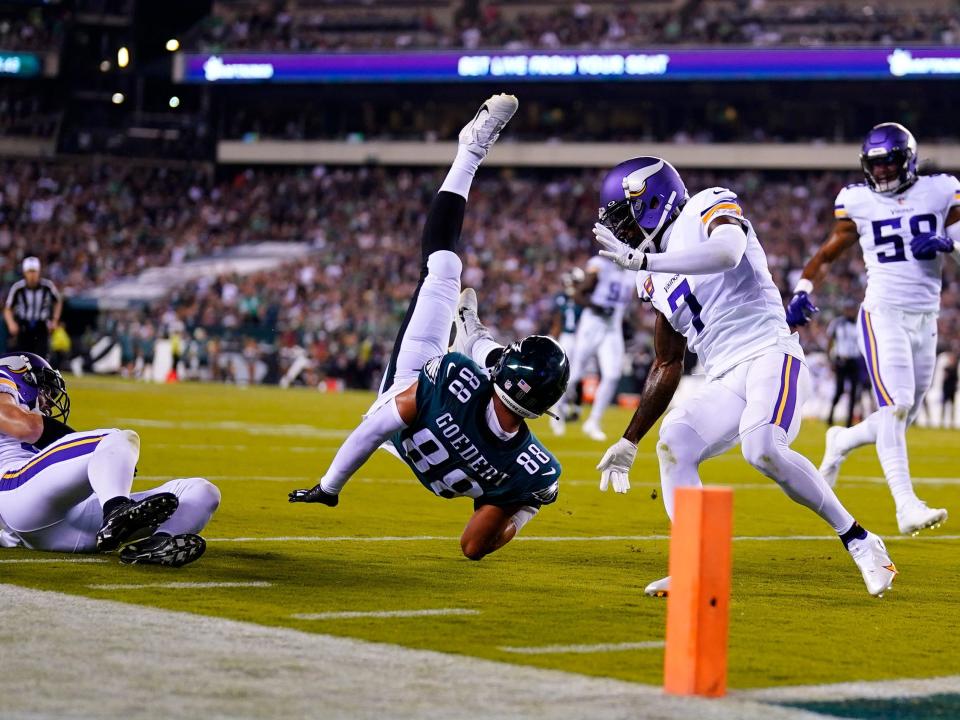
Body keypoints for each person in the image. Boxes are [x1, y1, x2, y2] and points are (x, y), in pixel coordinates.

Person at [591, 156, 896, 597]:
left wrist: (644, 262)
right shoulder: (651, 275)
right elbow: (667, 360)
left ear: (653, 201)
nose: (621, 233)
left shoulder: (705, 206)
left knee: (763, 448)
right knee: (674, 441)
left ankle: (862, 541)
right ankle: (696, 566)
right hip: (724, 377)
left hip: (772, 354)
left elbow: (728, 251)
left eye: (624, 219)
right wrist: (629, 438)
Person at [289, 95, 570, 561]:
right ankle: (471, 153)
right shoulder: (534, 467)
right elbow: (474, 548)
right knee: (447, 272)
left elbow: (374, 427)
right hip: (424, 421)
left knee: (446, 272)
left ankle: (476, 328)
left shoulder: (459, 382)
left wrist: (329, 485)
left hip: (412, 400)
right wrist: (522, 512)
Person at [785, 123, 955, 534]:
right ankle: (905, 505)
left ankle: (840, 441)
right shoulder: (857, 202)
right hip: (883, 314)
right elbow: (827, 254)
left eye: (888, 163)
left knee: (902, 416)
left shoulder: (941, 190)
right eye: (874, 165)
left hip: (925, 318)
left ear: (907, 160)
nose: (880, 172)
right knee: (895, 407)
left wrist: (948, 242)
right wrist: (803, 288)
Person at [0, 352, 220, 566]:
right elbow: (25, 426)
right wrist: (106, 450)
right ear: (22, 377)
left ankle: (158, 544)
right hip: (15, 486)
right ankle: (116, 510)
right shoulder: (4, 377)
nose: (48, 402)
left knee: (203, 492)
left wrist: (107, 457)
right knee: (117, 438)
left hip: (58, 524)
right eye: (46, 390)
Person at [553, 254, 635, 441]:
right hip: (593, 323)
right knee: (576, 373)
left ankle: (593, 421)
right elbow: (579, 294)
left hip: (613, 329)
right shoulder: (601, 266)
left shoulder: (632, 273)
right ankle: (557, 412)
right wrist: (597, 307)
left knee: (612, 375)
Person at [548, 268, 583, 434]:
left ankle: (573, 408)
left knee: (576, 377)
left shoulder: (582, 299)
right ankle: (558, 413)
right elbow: (558, 321)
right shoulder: (561, 298)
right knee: (565, 376)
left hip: (582, 338)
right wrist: (552, 339)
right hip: (567, 338)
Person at [4, 257, 62, 357]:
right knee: (23, 358)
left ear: (39, 272)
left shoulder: (47, 286)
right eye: (29, 271)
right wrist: (11, 323)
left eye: (34, 271)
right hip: (24, 325)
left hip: (41, 325)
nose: (32, 275)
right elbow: (8, 308)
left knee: (42, 357)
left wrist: (55, 320)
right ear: (24, 272)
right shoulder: (18, 288)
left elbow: (58, 301)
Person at [825, 304, 863, 427]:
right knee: (839, 390)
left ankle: (849, 421)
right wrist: (830, 360)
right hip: (841, 360)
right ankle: (830, 415)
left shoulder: (859, 324)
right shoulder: (837, 323)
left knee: (854, 392)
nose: (850, 312)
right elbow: (830, 341)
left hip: (854, 360)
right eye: (848, 309)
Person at [941, 352, 957, 428]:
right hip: (946, 390)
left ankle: (952, 422)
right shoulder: (946, 368)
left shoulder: (954, 369)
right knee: (944, 406)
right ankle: (942, 421)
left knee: (952, 407)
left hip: (952, 390)